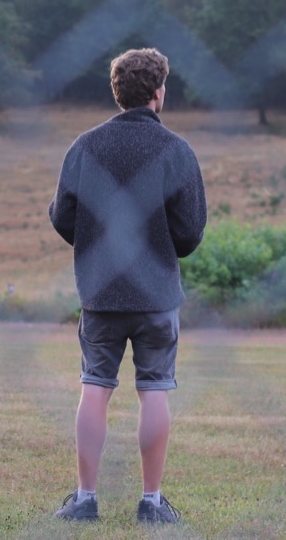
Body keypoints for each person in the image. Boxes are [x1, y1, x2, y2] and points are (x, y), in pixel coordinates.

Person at [48, 47, 207, 524]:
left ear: (117, 92)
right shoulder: (176, 150)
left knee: (94, 388)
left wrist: (94, 242)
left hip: (100, 291)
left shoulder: (85, 147)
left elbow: (63, 216)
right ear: (158, 92)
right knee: (153, 389)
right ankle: (152, 503)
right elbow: (190, 231)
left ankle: (85, 499)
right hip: (156, 292)